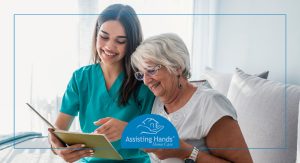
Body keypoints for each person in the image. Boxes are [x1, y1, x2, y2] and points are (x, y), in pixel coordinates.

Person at [48, 4, 155, 163]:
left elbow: (161, 140)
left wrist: (129, 130)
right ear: (96, 35)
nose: (109, 46)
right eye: (104, 37)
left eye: (120, 41)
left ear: (131, 43)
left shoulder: (144, 81)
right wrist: (57, 149)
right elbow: (58, 131)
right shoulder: (81, 78)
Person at [131, 33, 253, 163]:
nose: (145, 80)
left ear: (177, 67)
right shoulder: (156, 103)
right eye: (141, 74)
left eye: (151, 70)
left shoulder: (210, 104)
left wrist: (186, 152)